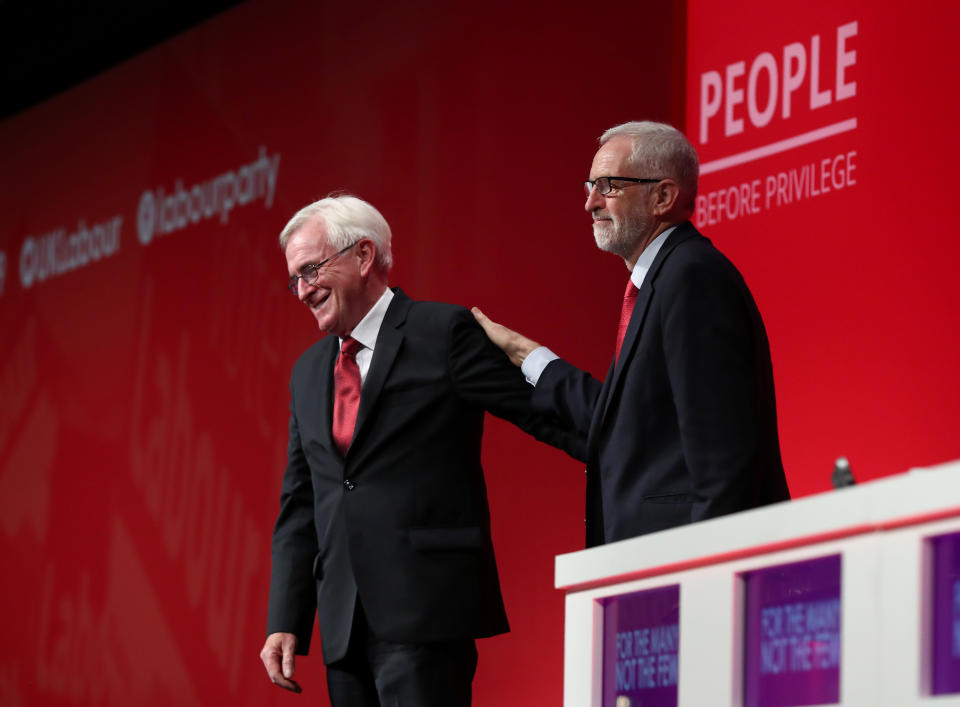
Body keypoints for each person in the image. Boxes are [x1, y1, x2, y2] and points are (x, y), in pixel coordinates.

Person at [259, 194, 581, 706]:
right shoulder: (307, 372)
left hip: (426, 611)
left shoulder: (442, 332)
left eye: (311, 270)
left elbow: (539, 414)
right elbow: (302, 504)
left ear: (363, 257)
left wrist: (625, 447)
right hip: (344, 624)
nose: (302, 290)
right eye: (294, 278)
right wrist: (285, 619)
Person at [473, 120, 790, 548]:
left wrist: (710, 577)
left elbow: (722, 457)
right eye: (589, 185)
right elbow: (625, 428)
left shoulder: (691, 276)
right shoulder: (664, 279)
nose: (590, 203)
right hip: (647, 569)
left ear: (662, 196)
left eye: (608, 186)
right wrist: (525, 355)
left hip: (685, 570)